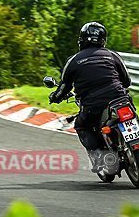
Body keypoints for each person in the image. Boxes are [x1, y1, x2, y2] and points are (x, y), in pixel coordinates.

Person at [48, 22, 133, 173]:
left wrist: (55, 97)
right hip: (120, 99)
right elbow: (127, 81)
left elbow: (64, 87)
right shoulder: (113, 55)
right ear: (103, 39)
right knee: (132, 113)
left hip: (93, 106)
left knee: (82, 126)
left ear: (81, 40)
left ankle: (100, 157)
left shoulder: (73, 60)